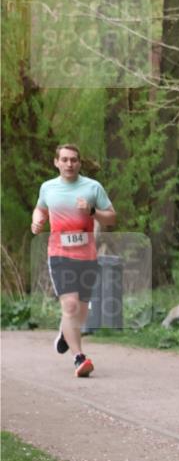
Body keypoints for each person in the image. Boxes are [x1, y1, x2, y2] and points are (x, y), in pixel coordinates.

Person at [31, 144, 117, 378]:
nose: (69, 164)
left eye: (74, 160)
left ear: (79, 163)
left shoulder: (92, 187)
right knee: (69, 306)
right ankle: (79, 357)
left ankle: (64, 332)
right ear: (56, 162)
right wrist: (36, 222)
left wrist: (92, 212)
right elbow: (40, 210)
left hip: (87, 256)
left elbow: (111, 217)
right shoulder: (48, 188)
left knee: (80, 311)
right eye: (65, 160)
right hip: (59, 255)